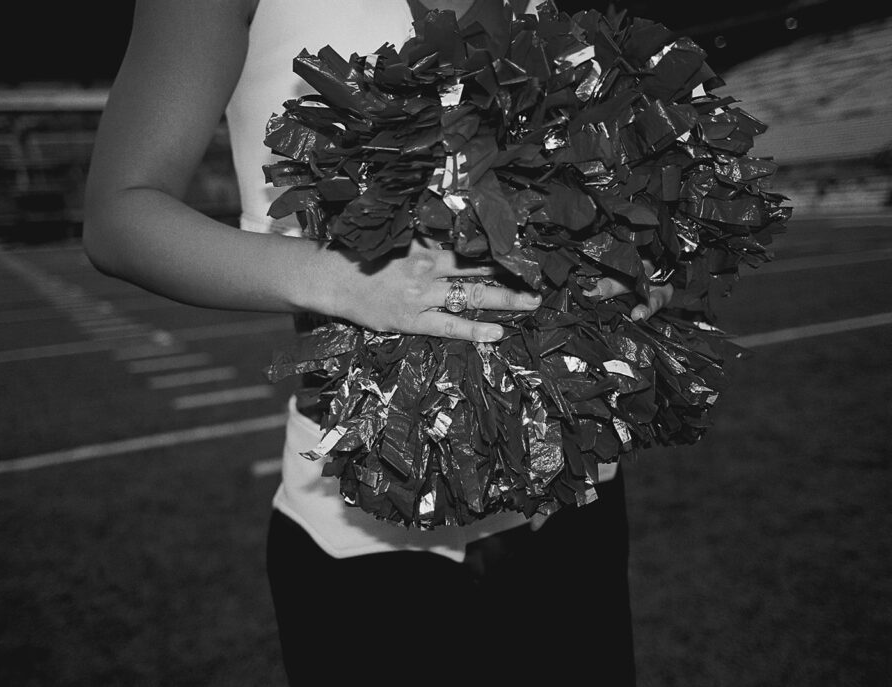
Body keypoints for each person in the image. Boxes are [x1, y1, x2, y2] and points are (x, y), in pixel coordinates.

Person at [83, 0, 674, 684]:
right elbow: (118, 215)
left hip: (572, 495)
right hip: (364, 526)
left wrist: (630, 250)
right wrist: (347, 282)